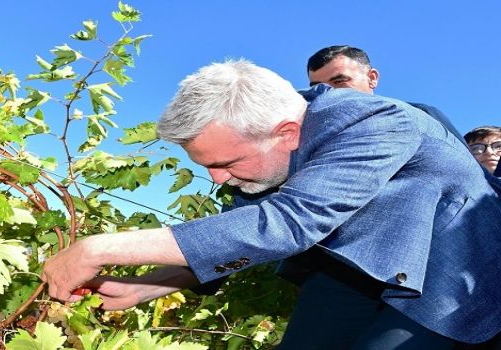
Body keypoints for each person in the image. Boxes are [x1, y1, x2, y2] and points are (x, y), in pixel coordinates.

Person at [42, 60, 501, 349]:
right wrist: (154, 285)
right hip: (352, 268)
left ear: (286, 132)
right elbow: (241, 229)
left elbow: (289, 223)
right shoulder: (263, 144)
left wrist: (97, 249)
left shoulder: (379, 121)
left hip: (453, 276)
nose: (217, 178)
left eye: (225, 163)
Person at [306, 45, 465, 145]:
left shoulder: (423, 115)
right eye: (319, 87)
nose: (328, 92)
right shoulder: (308, 135)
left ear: (372, 78)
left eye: (340, 81)